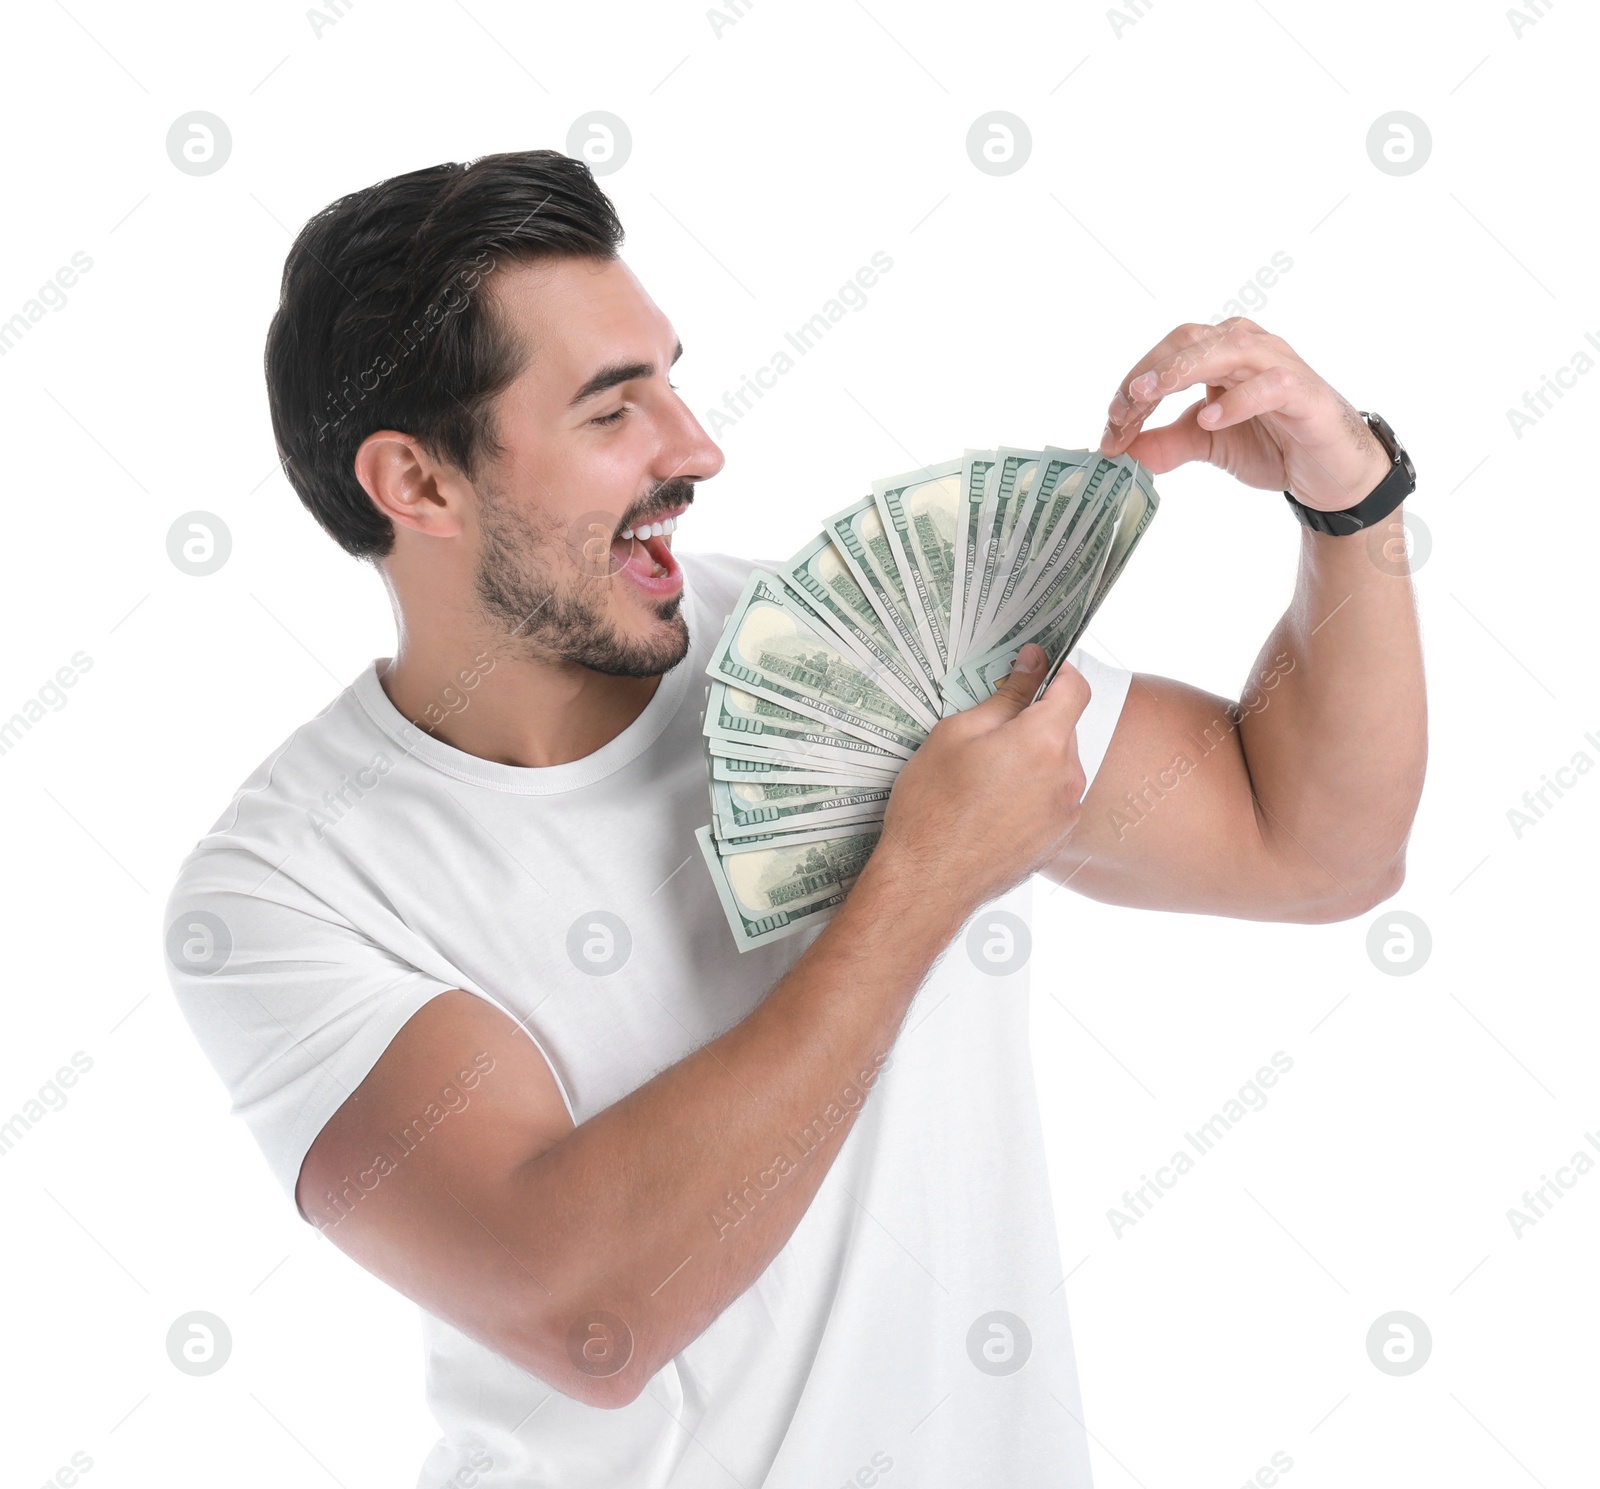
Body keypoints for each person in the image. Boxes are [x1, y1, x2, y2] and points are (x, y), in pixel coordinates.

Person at [161, 148, 1426, 1487]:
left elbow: (1319, 847)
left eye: (669, 375)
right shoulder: (288, 887)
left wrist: (1350, 500)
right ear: (416, 484)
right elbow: (589, 1312)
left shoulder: (869, 646)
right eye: (611, 412)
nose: (696, 447)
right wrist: (925, 878)